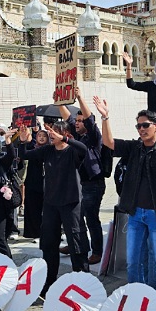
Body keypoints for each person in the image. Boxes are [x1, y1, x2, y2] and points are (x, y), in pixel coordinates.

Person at [94, 97, 156, 303]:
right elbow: (109, 143)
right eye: (138, 126)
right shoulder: (134, 148)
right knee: (133, 263)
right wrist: (105, 117)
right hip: (135, 213)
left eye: (145, 125)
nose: (141, 129)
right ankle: (136, 299)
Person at [19, 122, 89, 292]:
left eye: (55, 132)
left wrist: (64, 138)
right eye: (50, 131)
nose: (51, 134)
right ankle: (49, 281)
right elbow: (26, 155)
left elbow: (84, 150)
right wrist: (22, 141)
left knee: (76, 242)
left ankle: (82, 282)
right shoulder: (47, 150)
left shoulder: (72, 150)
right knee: (49, 243)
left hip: (71, 203)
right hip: (51, 203)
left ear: (65, 133)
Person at [60, 87, 108, 264]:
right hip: (77, 184)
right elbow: (67, 117)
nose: (77, 123)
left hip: (92, 184)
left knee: (91, 218)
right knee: (76, 218)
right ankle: (78, 245)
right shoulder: (76, 137)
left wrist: (80, 97)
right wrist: (60, 99)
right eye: (77, 121)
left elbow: (89, 120)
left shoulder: (94, 137)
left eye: (81, 121)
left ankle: (97, 251)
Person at [22, 128, 48, 240]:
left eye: (44, 136)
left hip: (48, 184)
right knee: (32, 209)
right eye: (39, 135)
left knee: (47, 210)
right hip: (33, 182)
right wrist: (24, 142)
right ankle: (33, 232)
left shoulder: (51, 149)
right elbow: (23, 154)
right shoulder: (32, 149)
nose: (41, 138)